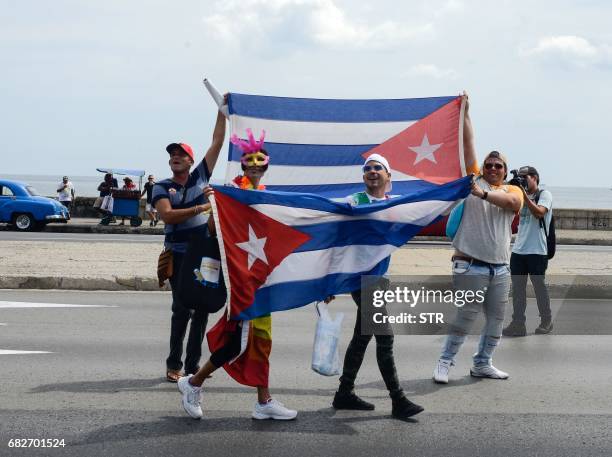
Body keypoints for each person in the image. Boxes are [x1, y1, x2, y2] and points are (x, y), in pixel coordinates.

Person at [177, 129, 297, 421]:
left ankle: (263, 400)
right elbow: (212, 232)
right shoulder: (233, 193)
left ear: (266, 163)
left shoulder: (267, 197)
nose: (254, 163)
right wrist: (216, 207)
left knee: (262, 339)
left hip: (262, 280)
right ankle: (193, 383)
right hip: (240, 279)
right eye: (248, 159)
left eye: (259, 158)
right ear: (242, 164)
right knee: (238, 341)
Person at [325, 153, 424, 420]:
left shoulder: (394, 205)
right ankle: (398, 399)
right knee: (385, 336)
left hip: (378, 280)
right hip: (360, 280)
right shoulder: (354, 202)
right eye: (367, 168)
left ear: (388, 176)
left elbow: (426, 208)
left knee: (362, 337)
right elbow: (335, 236)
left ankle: (344, 392)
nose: (371, 171)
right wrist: (330, 281)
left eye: (377, 168)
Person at [432, 94, 523, 384]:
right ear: (482, 169)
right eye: (489, 165)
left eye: (498, 166)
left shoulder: (512, 191)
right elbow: (468, 145)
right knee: (465, 317)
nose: (493, 168)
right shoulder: (474, 181)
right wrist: (466, 114)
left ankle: (483, 363)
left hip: (500, 268)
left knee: (496, 320)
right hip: (470, 264)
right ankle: (445, 362)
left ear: (506, 172)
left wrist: (483, 194)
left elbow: (512, 206)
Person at [152, 106, 227, 383]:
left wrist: (222, 111)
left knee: (203, 308)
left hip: (204, 254)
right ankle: (174, 364)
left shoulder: (200, 177)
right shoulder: (160, 186)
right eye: (172, 154)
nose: (176, 157)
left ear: (191, 159)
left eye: (181, 153)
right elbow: (167, 215)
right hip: (179, 255)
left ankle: (194, 366)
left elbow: (217, 142)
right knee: (181, 308)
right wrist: (202, 207)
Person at [503, 166, 553, 336]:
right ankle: (518, 324)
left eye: (525, 177)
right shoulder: (518, 195)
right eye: (521, 178)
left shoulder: (544, 195)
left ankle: (546, 321)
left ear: (535, 178)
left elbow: (539, 213)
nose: (523, 180)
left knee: (539, 287)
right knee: (517, 289)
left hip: (537, 251)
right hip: (518, 250)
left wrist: (523, 194)